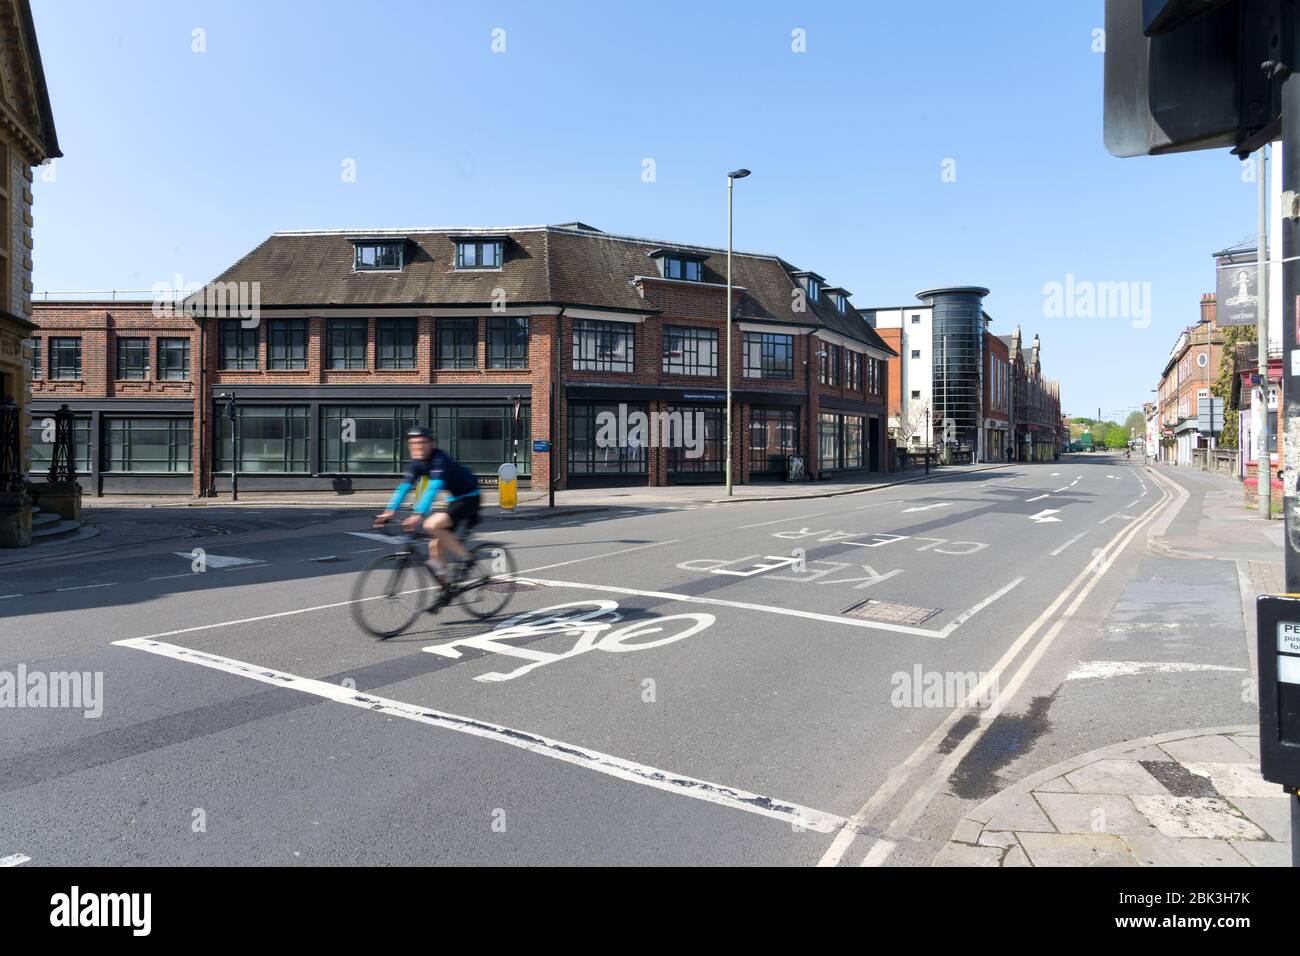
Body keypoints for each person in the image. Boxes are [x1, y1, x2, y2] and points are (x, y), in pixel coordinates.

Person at [374, 426, 481, 581]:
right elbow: (404, 487)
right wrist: (389, 511)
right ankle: (445, 589)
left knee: (431, 525)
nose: (418, 447)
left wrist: (418, 514)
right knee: (434, 546)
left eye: (423, 442)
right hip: (453, 500)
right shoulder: (416, 463)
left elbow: (433, 488)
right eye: (414, 444)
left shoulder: (440, 459)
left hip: (469, 498)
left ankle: (467, 558)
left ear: (432, 444)